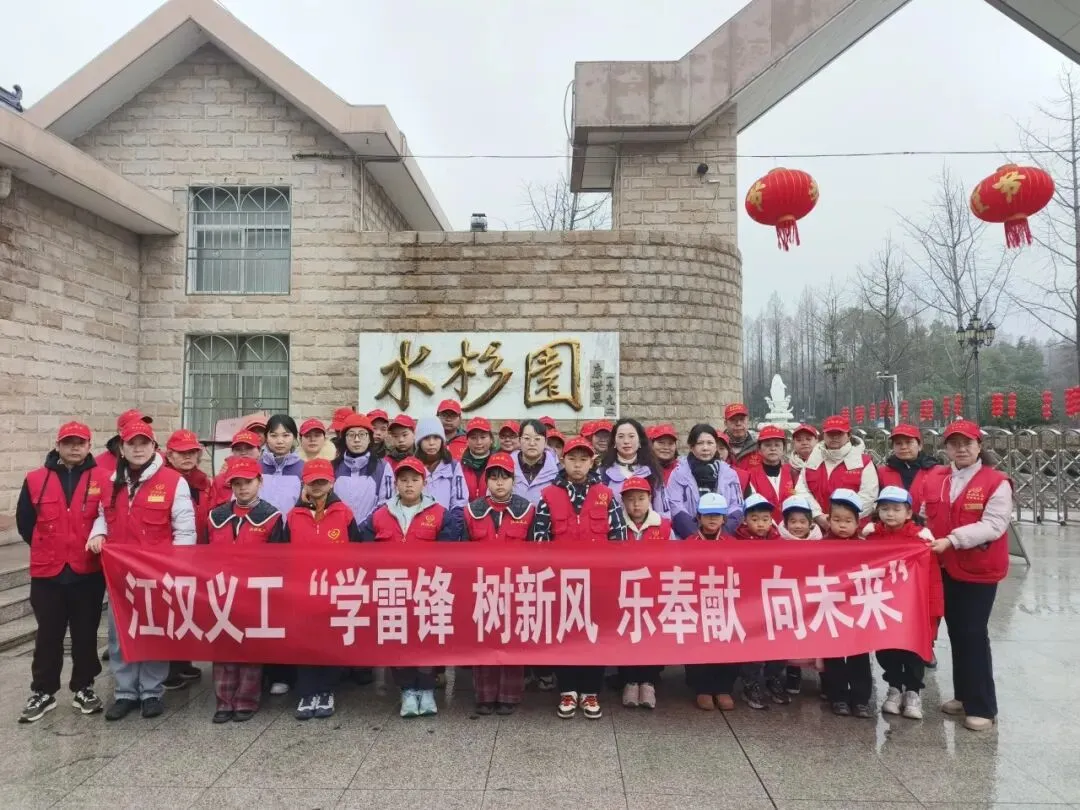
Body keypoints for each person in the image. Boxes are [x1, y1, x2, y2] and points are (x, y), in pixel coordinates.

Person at [86, 419, 196, 721]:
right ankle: (125, 693)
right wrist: (98, 533)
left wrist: (179, 570)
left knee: (153, 633)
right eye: (131, 444)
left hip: (156, 575)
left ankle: (151, 692)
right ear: (121, 448)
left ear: (154, 447)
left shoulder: (173, 481)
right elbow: (102, 515)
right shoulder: (110, 481)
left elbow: (185, 531)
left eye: (143, 443)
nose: (137, 449)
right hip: (119, 575)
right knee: (120, 636)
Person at [922, 420, 1012, 732]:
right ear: (945, 448)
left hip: (978, 569)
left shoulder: (996, 482)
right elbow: (923, 515)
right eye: (954, 444)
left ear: (979, 446)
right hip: (942, 566)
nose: (961, 449)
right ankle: (963, 695)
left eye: (967, 443)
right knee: (957, 632)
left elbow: (994, 525)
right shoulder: (936, 478)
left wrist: (952, 540)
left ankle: (983, 706)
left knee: (973, 633)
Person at [16, 422, 106, 723]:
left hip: (87, 572)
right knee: (48, 635)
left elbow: (107, 518)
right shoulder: (35, 479)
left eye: (80, 442)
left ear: (89, 446)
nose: (75, 447)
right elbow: (25, 522)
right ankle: (43, 691)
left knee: (85, 634)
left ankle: (84, 687)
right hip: (48, 573)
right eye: (68, 442)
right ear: (58, 446)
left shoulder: (102, 478)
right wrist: (49, 547)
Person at [531, 437, 626, 719]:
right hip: (561, 582)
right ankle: (568, 690)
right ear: (563, 460)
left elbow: (619, 537)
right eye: (572, 459)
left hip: (598, 582)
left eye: (583, 459)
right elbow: (540, 539)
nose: (577, 464)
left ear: (592, 462)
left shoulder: (605, 494)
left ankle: (591, 690)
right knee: (566, 636)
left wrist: (612, 577)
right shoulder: (549, 495)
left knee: (595, 635)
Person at [359, 456, 459, 717]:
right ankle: (407, 691)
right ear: (396, 484)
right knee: (399, 641)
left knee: (427, 640)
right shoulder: (380, 515)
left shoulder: (440, 514)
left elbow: (449, 554)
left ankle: (426, 689)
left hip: (428, 590)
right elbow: (365, 550)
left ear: (424, 483)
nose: (409, 485)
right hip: (393, 590)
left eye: (414, 479)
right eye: (403, 480)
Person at [277, 459, 362, 720]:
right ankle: (306, 692)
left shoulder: (344, 513)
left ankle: (326, 691)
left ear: (332, 482)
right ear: (304, 483)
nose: (317, 486)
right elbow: (282, 556)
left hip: (335, 590)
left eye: (322, 481)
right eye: (312, 481)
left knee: (330, 641)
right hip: (302, 591)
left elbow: (357, 552)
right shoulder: (293, 516)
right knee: (305, 642)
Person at [206, 457, 284, 722]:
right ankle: (224, 701)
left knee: (250, 647)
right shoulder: (215, 516)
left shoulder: (272, 517)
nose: (242, 488)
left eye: (248, 482)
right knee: (223, 646)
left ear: (260, 482)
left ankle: (246, 700)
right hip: (221, 590)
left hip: (254, 592)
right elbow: (204, 554)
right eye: (236, 483)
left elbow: (278, 560)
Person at [463, 452, 534, 715]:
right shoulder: (471, 511)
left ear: (514, 480)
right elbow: (461, 554)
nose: (499, 483)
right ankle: (484, 696)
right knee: (483, 641)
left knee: (512, 641)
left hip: (516, 587)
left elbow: (536, 553)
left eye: (504, 477)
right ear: (486, 481)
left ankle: (509, 696)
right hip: (481, 587)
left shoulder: (528, 510)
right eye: (493, 477)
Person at [863, 486, 939, 721]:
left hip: (913, 607)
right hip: (884, 604)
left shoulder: (921, 540)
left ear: (908, 513)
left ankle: (913, 692)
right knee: (887, 648)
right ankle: (894, 688)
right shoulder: (872, 538)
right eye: (885, 509)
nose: (890, 514)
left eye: (896, 509)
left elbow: (932, 578)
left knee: (913, 649)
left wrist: (933, 609)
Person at [162, 429, 212, 692]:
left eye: (192, 452)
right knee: (170, 612)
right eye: (181, 453)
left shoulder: (203, 483)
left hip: (198, 554)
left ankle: (183, 661)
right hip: (170, 556)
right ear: (169, 455)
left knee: (187, 612)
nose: (188, 457)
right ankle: (167, 669)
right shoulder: (162, 481)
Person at [618, 476, 673, 710]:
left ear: (650, 498)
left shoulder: (664, 525)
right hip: (625, 591)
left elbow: (674, 558)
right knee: (627, 636)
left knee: (652, 636)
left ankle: (648, 682)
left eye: (641, 498)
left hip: (654, 590)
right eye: (630, 500)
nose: (636, 504)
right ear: (623, 502)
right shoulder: (617, 525)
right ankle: (629, 681)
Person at [684, 493, 742, 711]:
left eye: (717, 515)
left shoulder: (733, 544)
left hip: (725, 602)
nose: (712, 519)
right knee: (698, 644)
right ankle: (702, 688)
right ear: (698, 517)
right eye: (707, 514)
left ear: (724, 518)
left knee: (727, 643)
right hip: (698, 602)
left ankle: (724, 687)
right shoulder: (689, 543)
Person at [732, 494, 789, 708]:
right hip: (749, 601)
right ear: (745, 519)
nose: (761, 524)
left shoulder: (778, 541)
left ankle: (774, 678)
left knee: (778, 641)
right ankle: (751, 683)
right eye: (754, 519)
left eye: (765, 519)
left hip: (773, 600)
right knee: (753, 643)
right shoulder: (737, 541)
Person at [821, 488, 873, 718]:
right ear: (828, 520)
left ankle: (861, 699)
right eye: (837, 520)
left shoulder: (866, 547)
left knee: (859, 654)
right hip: (831, 607)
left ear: (857, 522)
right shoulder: (819, 546)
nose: (842, 525)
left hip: (858, 608)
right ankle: (838, 697)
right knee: (833, 654)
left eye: (848, 521)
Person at [794, 415, 879, 533]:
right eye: (830, 433)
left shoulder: (863, 462)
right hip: (817, 529)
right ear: (823, 435)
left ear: (849, 435)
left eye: (839, 433)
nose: (834, 437)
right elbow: (802, 490)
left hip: (854, 530)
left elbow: (869, 496)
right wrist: (818, 515)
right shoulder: (812, 460)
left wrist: (841, 520)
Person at [666, 424, 744, 539]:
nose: (705, 448)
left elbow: (737, 506)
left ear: (716, 446)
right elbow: (675, 506)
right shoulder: (679, 473)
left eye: (710, 443)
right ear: (691, 447)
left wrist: (722, 534)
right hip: (688, 539)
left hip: (724, 538)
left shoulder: (729, 474)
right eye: (700, 443)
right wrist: (697, 536)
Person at [599, 418, 670, 515]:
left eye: (631, 436)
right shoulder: (603, 473)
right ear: (614, 442)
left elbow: (663, 512)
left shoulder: (652, 471)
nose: (626, 441)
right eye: (621, 436)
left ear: (640, 440)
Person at [332, 412, 393, 524]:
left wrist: (366, 526)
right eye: (351, 435)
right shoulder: (333, 467)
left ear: (369, 438)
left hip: (370, 531)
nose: (356, 440)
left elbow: (386, 503)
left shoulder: (383, 467)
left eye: (362, 434)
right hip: (338, 530)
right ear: (344, 439)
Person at [414, 417, 468, 539]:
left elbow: (459, 502)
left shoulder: (453, 466)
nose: (431, 443)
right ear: (419, 441)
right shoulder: (411, 466)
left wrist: (450, 531)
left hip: (446, 530)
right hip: (417, 532)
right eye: (426, 438)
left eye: (436, 437)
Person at [877, 423, 940, 516]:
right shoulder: (881, 473)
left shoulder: (935, 472)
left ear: (920, 445)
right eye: (898, 443)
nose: (903, 447)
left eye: (909, 442)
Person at [746, 425, 796, 525]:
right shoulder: (750, 476)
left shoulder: (792, 473)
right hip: (763, 528)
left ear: (784, 449)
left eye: (777, 445)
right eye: (767, 445)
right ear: (759, 449)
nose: (773, 448)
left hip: (791, 528)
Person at [258, 414, 304, 519]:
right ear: (266, 438)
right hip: (259, 527)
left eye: (286, 435)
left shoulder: (304, 469)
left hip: (291, 527)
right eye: (274, 435)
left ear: (294, 437)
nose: (280, 441)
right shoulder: (256, 468)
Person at [209, 430, 262, 510]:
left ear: (259, 451)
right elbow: (211, 513)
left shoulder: (268, 477)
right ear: (232, 452)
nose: (243, 453)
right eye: (238, 449)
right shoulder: (220, 481)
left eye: (249, 448)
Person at [512, 419, 559, 504]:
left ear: (545, 442)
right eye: (527, 438)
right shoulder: (506, 467)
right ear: (519, 440)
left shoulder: (558, 470)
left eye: (537, 439)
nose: (532, 443)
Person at [95, 409, 153, 474]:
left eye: (144, 424)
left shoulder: (158, 458)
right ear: (120, 431)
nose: (141, 427)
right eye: (135, 425)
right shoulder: (100, 464)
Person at [460, 416, 495, 501]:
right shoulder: (459, 466)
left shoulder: (499, 465)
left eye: (483, 437)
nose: (479, 442)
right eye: (473, 438)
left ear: (491, 439)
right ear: (467, 441)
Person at [723, 403, 760, 470]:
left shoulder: (760, 445)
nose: (738, 423)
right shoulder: (716, 446)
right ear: (725, 423)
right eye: (733, 420)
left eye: (742, 419)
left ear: (747, 421)